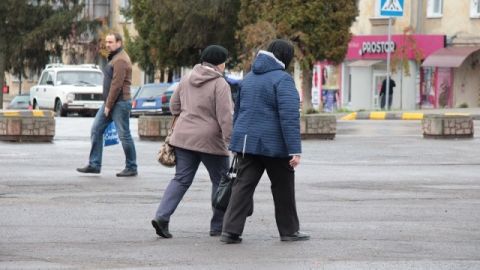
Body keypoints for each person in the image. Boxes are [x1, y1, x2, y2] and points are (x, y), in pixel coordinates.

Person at [221, 39, 310, 244]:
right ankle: (289, 231)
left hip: (247, 143)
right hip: (273, 145)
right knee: (283, 186)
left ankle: (230, 231)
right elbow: (289, 117)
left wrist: (236, 141)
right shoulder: (283, 79)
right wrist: (295, 150)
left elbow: (238, 112)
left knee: (242, 187)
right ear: (286, 57)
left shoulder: (249, 78)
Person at [151, 45, 233, 238]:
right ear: (220, 63)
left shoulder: (187, 78)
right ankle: (218, 226)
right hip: (210, 140)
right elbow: (226, 117)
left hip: (183, 138)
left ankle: (162, 217)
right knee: (221, 181)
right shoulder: (220, 84)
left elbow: (174, 106)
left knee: (181, 179)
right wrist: (231, 141)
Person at [77, 33, 137, 177]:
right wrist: (108, 104)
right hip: (110, 102)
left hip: (120, 103)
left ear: (119, 43)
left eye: (111, 42)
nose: (107, 44)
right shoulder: (115, 57)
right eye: (107, 42)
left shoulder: (121, 59)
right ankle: (94, 164)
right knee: (96, 130)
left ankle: (131, 166)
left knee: (124, 135)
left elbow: (116, 85)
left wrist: (108, 105)